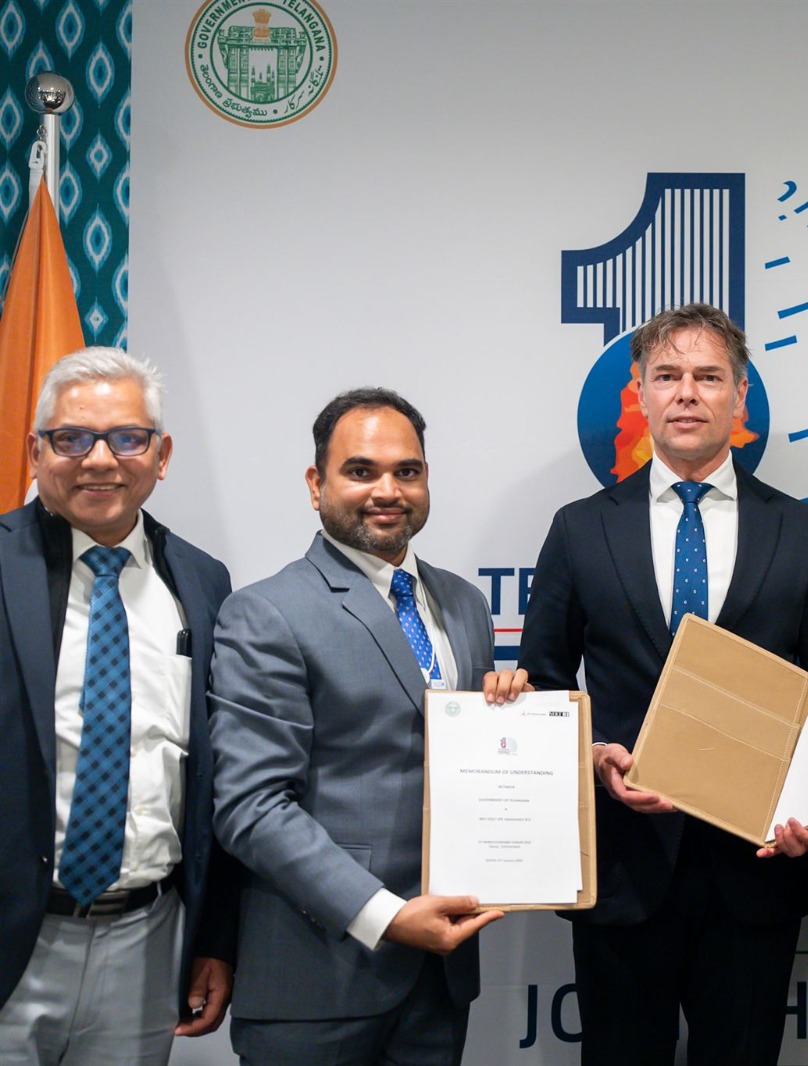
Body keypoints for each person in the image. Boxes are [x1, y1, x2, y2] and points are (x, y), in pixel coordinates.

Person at [518, 303, 808, 1065]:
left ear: (740, 398)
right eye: (667, 376)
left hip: (756, 870)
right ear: (639, 393)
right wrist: (594, 756)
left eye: (708, 377)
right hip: (623, 869)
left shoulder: (801, 529)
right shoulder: (580, 528)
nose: (687, 393)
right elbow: (542, 683)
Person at [209, 388, 527, 1065]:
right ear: (315, 484)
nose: (388, 491)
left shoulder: (465, 604)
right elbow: (251, 805)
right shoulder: (266, 612)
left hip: (440, 983)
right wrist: (385, 914)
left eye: (407, 471)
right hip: (317, 980)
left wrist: (516, 725)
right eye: (361, 471)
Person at [0, 348, 237, 1064]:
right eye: (72, 438)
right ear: (35, 452)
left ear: (161, 455)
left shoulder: (202, 581)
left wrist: (215, 939)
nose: (99, 460)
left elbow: (216, 774)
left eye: (127, 438)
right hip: (15, 937)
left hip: (147, 942)